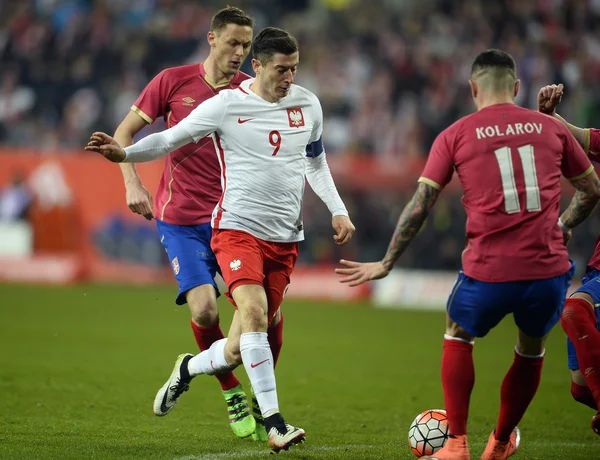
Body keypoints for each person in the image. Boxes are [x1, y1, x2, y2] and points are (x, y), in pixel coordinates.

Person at [86, 27, 355, 453]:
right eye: (282, 70)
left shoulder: (308, 104)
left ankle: (189, 369)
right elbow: (169, 138)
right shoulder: (228, 104)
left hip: (284, 238)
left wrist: (338, 209)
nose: (289, 78)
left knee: (236, 348)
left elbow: (316, 162)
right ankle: (274, 422)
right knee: (251, 312)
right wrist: (126, 154)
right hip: (235, 229)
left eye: (295, 69)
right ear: (258, 67)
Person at [335, 49, 600, 460]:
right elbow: (591, 190)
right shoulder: (552, 129)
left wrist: (387, 262)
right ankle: (499, 441)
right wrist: (562, 227)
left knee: (457, 333)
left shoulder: (456, 133)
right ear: (516, 88)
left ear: (473, 88)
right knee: (531, 349)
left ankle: (456, 442)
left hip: (488, 271)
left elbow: (420, 204)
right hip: (547, 272)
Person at [112, 7, 268, 440]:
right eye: (233, 42)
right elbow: (123, 135)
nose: (240, 53)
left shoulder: (250, 92)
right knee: (204, 309)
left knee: (262, 319)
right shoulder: (172, 81)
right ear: (212, 39)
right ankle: (232, 392)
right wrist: (133, 183)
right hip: (179, 218)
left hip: (233, 220)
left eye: (246, 45)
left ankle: (250, 391)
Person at [538, 82, 600, 436]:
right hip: (598, 266)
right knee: (579, 386)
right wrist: (549, 116)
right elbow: (575, 136)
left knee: (574, 310)